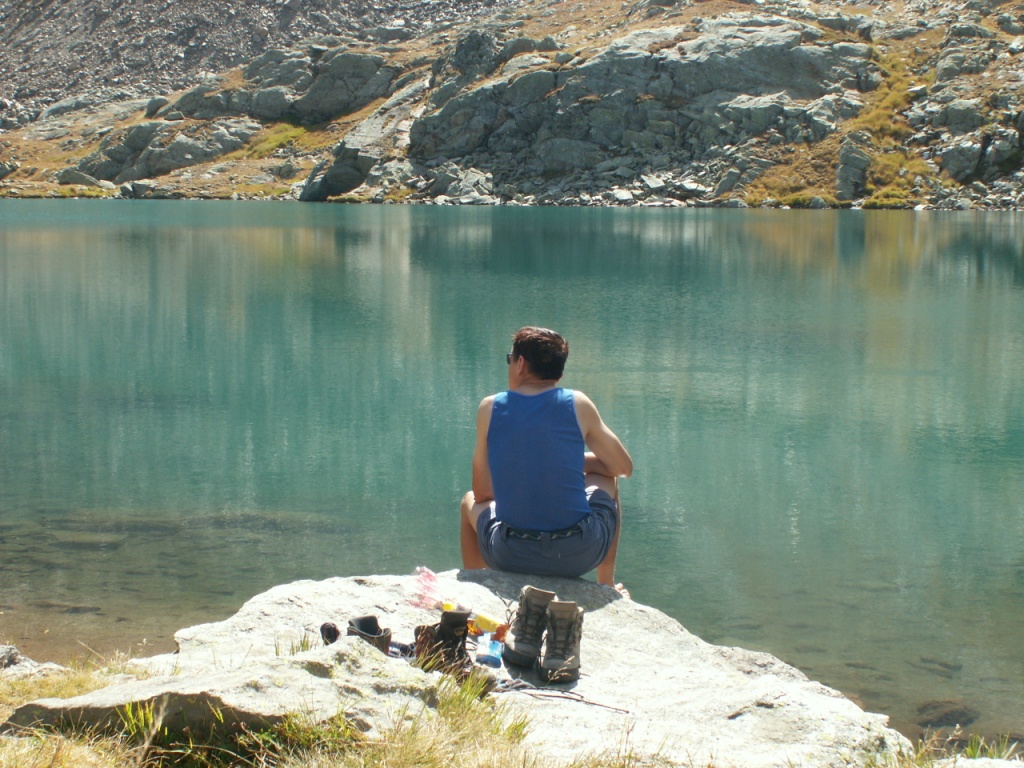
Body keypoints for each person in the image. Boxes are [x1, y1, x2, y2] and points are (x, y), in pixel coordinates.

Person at [460, 326, 633, 592]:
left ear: (520, 364)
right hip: (578, 554)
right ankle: (606, 582)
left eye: (510, 359)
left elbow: (483, 493)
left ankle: (478, 587)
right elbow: (622, 468)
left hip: (510, 554)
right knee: (608, 480)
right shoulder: (577, 404)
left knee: (468, 501)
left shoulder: (490, 408)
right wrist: (569, 462)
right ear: (559, 374)